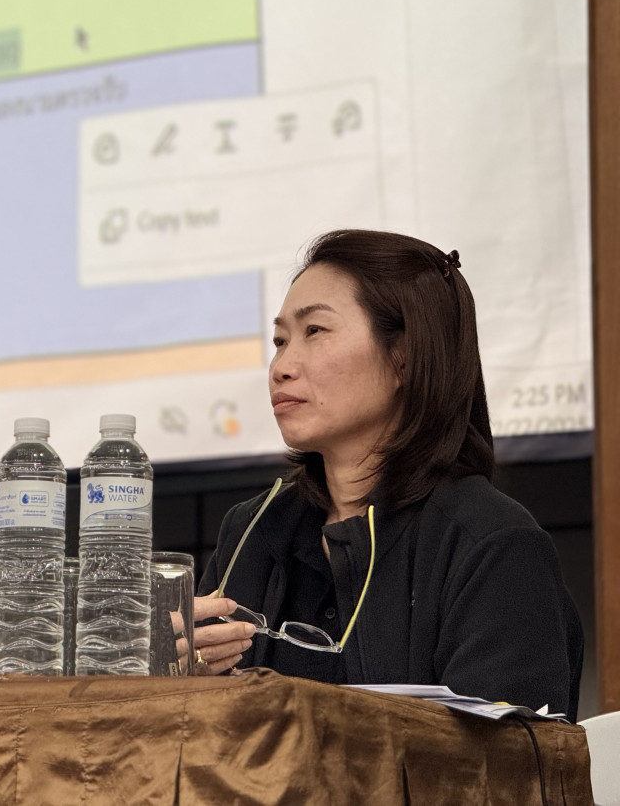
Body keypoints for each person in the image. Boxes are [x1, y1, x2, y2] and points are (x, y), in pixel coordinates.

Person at [192, 229, 583, 719]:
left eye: (316, 331)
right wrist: (176, 679)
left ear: (404, 357)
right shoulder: (252, 529)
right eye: (280, 340)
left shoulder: (493, 543)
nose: (282, 367)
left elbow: (505, 761)